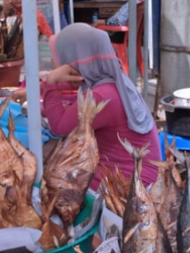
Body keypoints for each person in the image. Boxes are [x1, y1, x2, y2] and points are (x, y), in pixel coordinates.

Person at [13, 23, 161, 191]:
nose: (56, 63)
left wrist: (51, 82)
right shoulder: (112, 81)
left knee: (54, 184)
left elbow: (60, 127)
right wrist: (37, 89)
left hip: (131, 185)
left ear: (74, 59)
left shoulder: (101, 95)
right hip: (132, 174)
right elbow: (74, 86)